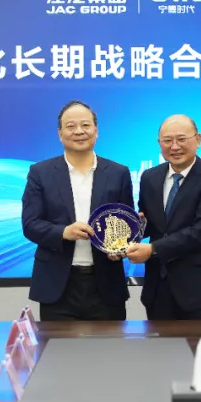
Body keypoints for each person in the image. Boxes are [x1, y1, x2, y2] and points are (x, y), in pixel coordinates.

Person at [21, 101, 133, 321]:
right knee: (57, 344)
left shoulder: (118, 173)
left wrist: (121, 246)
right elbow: (30, 224)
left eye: (85, 125)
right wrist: (64, 232)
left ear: (96, 131)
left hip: (106, 283)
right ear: (60, 133)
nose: (79, 131)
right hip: (58, 285)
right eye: (71, 126)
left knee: (110, 343)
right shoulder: (40, 173)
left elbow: (125, 223)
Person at [126, 115, 201, 320]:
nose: (174, 146)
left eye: (181, 139)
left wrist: (153, 249)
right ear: (159, 143)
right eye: (167, 140)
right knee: (157, 342)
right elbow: (150, 222)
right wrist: (127, 234)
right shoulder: (149, 177)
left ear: (198, 140)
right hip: (157, 288)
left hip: (198, 291)